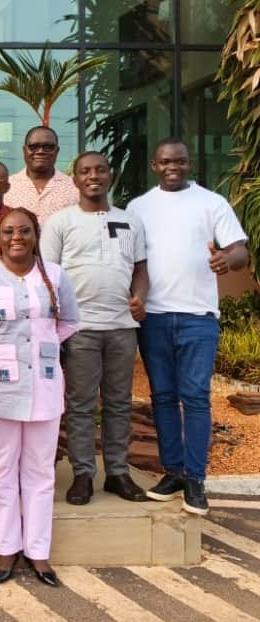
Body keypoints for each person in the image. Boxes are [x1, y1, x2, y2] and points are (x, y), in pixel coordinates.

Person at [129, 138, 250, 515]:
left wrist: (227, 259)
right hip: (153, 318)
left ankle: (196, 479)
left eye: (179, 161)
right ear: (154, 165)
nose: (173, 167)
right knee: (163, 397)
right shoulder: (138, 207)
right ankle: (174, 473)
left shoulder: (212, 203)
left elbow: (241, 251)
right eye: (165, 162)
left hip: (198, 317)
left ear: (189, 163)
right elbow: (131, 261)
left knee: (195, 396)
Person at [41, 151, 150, 505]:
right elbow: (48, 276)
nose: (93, 176)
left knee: (119, 403)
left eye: (100, 170)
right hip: (80, 329)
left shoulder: (130, 221)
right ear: (74, 179)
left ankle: (117, 472)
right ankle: (83, 474)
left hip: (122, 327)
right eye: (85, 171)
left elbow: (140, 270)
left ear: (110, 175)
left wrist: (140, 297)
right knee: (81, 405)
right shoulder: (60, 222)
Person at [0, 207, 80, 587]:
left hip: (44, 384)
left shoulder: (55, 275)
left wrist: (42, 346)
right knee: (1, 469)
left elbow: (69, 321)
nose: (16, 238)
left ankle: (38, 552)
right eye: (8, 231)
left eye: (24, 231)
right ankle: (7, 547)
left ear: (35, 235)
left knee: (40, 471)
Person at [4, 126, 79, 224]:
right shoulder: (6, 188)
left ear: (57, 151)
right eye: (33, 146)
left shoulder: (74, 187)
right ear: (24, 150)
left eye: (48, 147)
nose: (40, 151)